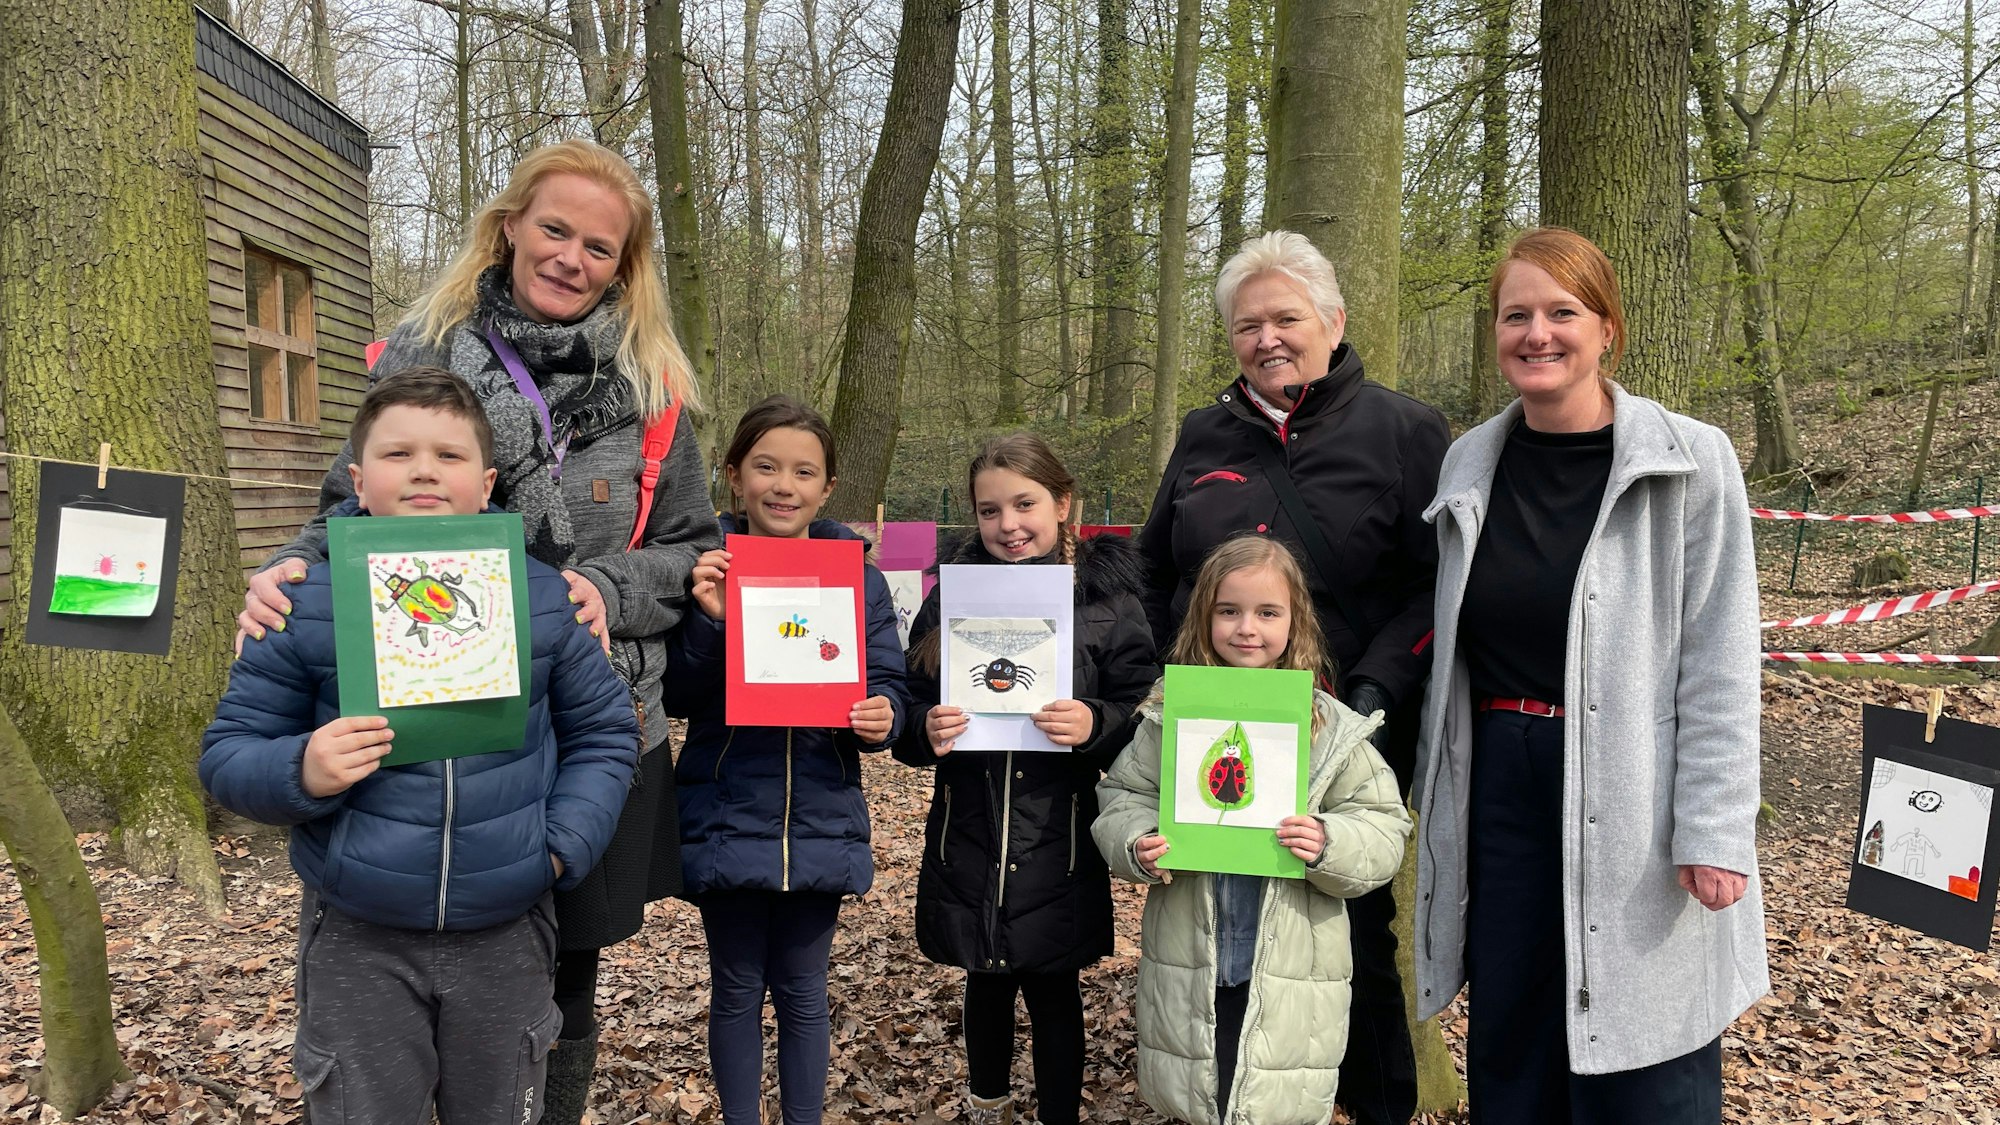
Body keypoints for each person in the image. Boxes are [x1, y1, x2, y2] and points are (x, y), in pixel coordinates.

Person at [233, 138, 718, 1123]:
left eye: (598, 247)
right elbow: (347, 501)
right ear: (508, 228)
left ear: (623, 267)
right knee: (395, 955)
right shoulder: (425, 346)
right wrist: (285, 575)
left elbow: (691, 552)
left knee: (561, 971)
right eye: (553, 229)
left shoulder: (651, 382)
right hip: (422, 713)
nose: (570, 257)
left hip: (592, 715)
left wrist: (604, 589)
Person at [200, 368, 640, 1123]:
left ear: (488, 482)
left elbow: (606, 732)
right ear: (357, 480)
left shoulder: (542, 598)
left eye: (450, 455)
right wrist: (301, 767)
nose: (426, 469)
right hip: (359, 936)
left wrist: (559, 847)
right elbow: (227, 753)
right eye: (399, 453)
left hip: (507, 929)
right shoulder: (306, 602)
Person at [1411, 226, 1768, 1124]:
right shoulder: (1469, 464)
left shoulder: (1689, 460)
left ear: (1607, 325)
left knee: (1645, 1054)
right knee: (1515, 1034)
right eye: (1515, 314)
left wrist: (1716, 827)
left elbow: (1720, 656)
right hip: (1500, 777)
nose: (1538, 333)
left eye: (1562, 311)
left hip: (1632, 784)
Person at [1136, 230, 1447, 1125]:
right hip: (1219, 728)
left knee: (1347, 930)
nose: (1267, 337)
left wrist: (1375, 690)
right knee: (1224, 933)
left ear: (1334, 321)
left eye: (1286, 317)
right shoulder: (1204, 436)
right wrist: (1175, 679)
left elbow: (1439, 584)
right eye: (1246, 324)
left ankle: (1378, 1104)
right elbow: (1155, 570)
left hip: (1349, 728)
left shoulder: (1405, 429)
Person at [1093, 534, 1411, 1125]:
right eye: (1229, 611)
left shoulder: (1332, 731)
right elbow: (1121, 796)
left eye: (1268, 612)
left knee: (1271, 1101)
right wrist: (1137, 843)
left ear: (1296, 623)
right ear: (1203, 617)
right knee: (1203, 1095)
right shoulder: (1170, 719)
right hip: (1193, 959)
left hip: (1292, 971)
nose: (1247, 628)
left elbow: (1384, 826)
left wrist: (1329, 843)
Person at [894, 434, 1158, 1125]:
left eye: (1024, 503)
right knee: (984, 980)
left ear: (1062, 503)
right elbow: (908, 704)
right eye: (989, 510)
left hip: (1058, 834)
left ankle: (1059, 1116)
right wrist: (925, 728)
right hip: (970, 826)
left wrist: (1095, 721)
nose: (1008, 524)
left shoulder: (1109, 599)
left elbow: (1144, 708)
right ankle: (987, 1106)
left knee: (1052, 988)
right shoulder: (952, 596)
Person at [664, 395, 910, 1125]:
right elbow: (678, 692)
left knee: (805, 991)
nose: (783, 485)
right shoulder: (707, 566)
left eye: (804, 471)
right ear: (734, 474)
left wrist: (883, 715)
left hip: (820, 815)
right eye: (766, 466)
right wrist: (710, 624)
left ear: (827, 488)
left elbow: (887, 679)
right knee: (736, 988)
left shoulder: (857, 578)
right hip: (726, 810)